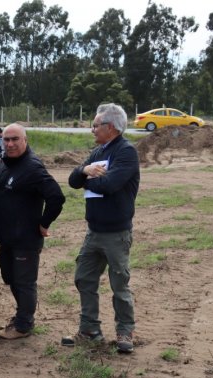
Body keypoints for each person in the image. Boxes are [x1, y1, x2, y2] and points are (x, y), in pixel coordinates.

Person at [62, 103, 140, 354]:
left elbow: (111, 184)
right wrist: (85, 171)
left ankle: (125, 331)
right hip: (93, 232)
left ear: (111, 127)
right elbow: (73, 180)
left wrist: (90, 179)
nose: (91, 129)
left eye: (95, 125)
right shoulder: (98, 153)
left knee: (119, 284)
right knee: (84, 278)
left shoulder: (126, 152)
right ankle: (89, 330)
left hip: (116, 233)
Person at [0, 123, 65, 340]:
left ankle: (23, 326)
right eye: (6, 140)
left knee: (24, 282)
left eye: (15, 139)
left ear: (25, 140)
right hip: (7, 236)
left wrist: (44, 223)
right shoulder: (6, 164)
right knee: (10, 277)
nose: (10, 144)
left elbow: (56, 197)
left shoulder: (32, 167)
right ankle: (22, 316)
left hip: (25, 238)